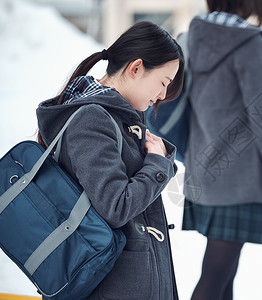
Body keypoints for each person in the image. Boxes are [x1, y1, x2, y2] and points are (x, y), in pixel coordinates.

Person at [36, 21, 184, 300]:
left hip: (130, 279)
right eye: (163, 82)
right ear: (136, 68)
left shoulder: (122, 117)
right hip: (114, 285)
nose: (162, 95)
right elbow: (115, 206)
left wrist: (160, 160)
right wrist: (157, 164)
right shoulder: (92, 119)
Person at [181, 1, 262, 299]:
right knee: (215, 277)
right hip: (240, 179)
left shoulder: (194, 35)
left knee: (223, 277)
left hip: (205, 170)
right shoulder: (247, 42)